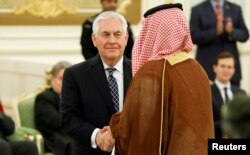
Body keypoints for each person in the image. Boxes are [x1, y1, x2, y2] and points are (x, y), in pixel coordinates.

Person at [109, 3, 214, 155]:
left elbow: (140, 127)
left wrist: (114, 127)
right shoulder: (199, 70)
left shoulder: (153, 71)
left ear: (154, 31)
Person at [61, 11, 132, 155]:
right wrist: (97, 135)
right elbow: (68, 119)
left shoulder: (141, 73)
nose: (112, 40)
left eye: (117, 34)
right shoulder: (74, 75)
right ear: (94, 39)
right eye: (105, 34)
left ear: (126, 38)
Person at [190, 0, 249, 87]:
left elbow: (245, 35)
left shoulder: (235, 9)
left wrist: (232, 31)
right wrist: (215, 32)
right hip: (206, 68)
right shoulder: (197, 10)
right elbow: (193, 37)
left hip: (230, 69)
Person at [35, 61, 73, 155]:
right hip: (55, 139)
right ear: (52, 80)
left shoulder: (73, 97)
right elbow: (56, 121)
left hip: (70, 135)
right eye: (60, 78)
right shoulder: (44, 98)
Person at [211, 52, 246, 139]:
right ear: (215, 68)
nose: (226, 70)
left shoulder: (241, 93)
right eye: (222, 66)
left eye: (229, 67)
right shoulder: (207, 92)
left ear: (234, 70)